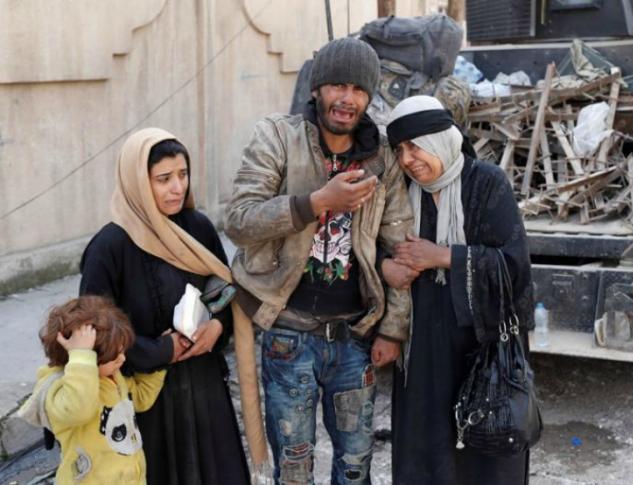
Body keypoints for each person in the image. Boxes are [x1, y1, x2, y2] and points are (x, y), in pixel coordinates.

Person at [225, 37, 413, 484]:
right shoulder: (278, 137)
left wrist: (393, 327)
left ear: (368, 98)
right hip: (289, 335)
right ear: (317, 89)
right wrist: (316, 202)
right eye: (337, 86)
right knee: (293, 467)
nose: (347, 99)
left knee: (355, 466)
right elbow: (238, 220)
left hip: (355, 336)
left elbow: (401, 244)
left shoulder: (381, 157)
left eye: (358, 90)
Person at [79, 129, 251, 484]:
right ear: (137, 182)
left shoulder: (197, 227)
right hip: (144, 399)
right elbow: (92, 331)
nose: (178, 188)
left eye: (183, 175)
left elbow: (228, 289)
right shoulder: (110, 247)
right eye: (163, 179)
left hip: (204, 390)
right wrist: (162, 349)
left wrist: (218, 326)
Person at [383, 95, 535, 484]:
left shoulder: (486, 182)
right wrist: (388, 268)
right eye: (400, 149)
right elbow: (371, 251)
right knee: (424, 447)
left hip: (481, 348)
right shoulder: (400, 190)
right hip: (422, 352)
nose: (407, 159)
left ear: (440, 139)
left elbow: (514, 265)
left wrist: (444, 256)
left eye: (415, 146)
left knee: (484, 456)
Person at [19, 295, 166, 484]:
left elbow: (140, 398)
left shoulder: (111, 377)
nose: (122, 360)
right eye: (114, 357)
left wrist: (161, 359)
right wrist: (81, 355)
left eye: (122, 352)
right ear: (83, 357)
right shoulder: (59, 390)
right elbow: (79, 410)